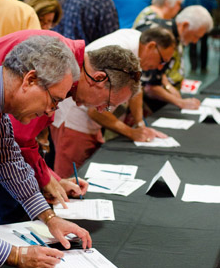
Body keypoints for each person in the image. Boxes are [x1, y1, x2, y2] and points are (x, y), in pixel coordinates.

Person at [0, 35, 92, 268]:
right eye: (55, 100)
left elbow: (8, 160)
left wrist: (49, 218)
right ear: (30, 79)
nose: (51, 111)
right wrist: (15, 255)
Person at [0, 29, 141, 223]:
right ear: (100, 78)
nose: (102, 110)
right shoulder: (58, 64)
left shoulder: (64, 55)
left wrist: (51, 179)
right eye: (109, 104)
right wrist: (45, 180)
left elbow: (15, 143)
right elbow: (19, 140)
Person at [51, 27, 175, 177]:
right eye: (162, 61)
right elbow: (95, 112)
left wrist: (140, 124)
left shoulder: (136, 45)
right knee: (71, 179)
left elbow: (136, 90)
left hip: (87, 119)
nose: (160, 67)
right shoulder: (119, 52)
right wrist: (131, 132)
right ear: (151, 46)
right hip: (73, 122)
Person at [135, 5, 214, 111]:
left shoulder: (168, 28)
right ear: (185, 25)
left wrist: (168, 86)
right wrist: (181, 103)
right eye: (196, 36)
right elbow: (150, 87)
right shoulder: (165, 38)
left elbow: (158, 74)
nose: (195, 41)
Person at [183, 0, 217, 73]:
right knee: (204, 44)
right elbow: (214, 7)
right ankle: (203, 67)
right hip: (205, 22)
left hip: (191, 22)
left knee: (192, 43)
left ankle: (193, 67)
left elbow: (185, 6)